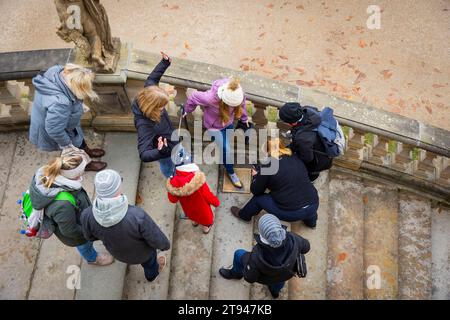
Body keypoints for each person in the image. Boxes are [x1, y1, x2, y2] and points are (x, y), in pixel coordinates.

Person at [80, 169, 170, 282]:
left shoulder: (87, 215)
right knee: (150, 263)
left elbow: (90, 237)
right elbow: (155, 237)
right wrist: (165, 246)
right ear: (117, 189)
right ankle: (151, 275)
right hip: (143, 254)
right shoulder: (137, 216)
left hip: (117, 253)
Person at [28, 153, 113, 266]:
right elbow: (70, 231)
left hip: (78, 215)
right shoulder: (63, 205)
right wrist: (90, 233)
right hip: (79, 234)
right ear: (73, 175)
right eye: (81, 172)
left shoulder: (48, 174)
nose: (82, 174)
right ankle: (92, 258)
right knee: (84, 245)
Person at [29, 63, 107, 171]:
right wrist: (67, 144)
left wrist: (78, 105)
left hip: (57, 120)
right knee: (74, 148)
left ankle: (86, 150)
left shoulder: (57, 71)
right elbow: (54, 130)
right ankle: (85, 164)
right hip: (57, 129)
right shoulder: (60, 103)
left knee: (77, 138)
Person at [230, 138, 319, 228]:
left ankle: (244, 215)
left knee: (258, 199)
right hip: (313, 204)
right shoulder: (295, 158)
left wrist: (256, 176)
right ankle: (311, 223)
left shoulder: (268, 167)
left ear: (267, 151)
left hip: (292, 213)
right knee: (307, 204)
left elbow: (256, 190)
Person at [219, 214, 310, 299]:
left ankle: (236, 274)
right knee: (279, 282)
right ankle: (275, 292)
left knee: (238, 253)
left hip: (267, 278)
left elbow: (250, 278)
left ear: (263, 234)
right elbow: (306, 247)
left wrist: (248, 268)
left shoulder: (257, 255)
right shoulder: (294, 239)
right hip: (286, 273)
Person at [184, 77, 251, 188]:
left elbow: (242, 105)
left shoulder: (239, 93)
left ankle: (224, 155)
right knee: (226, 150)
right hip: (214, 127)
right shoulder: (210, 98)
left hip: (228, 123)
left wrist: (244, 119)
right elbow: (193, 97)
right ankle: (231, 172)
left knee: (226, 146)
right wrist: (186, 110)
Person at [132, 51, 177, 178]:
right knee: (168, 166)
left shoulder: (149, 91)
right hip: (165, 152)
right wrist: (160, 151)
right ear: (152, 106)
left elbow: (152, 78)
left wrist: (165, 62)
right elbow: (144, 154)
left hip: (171, 139)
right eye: (161, 106)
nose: (164, 108)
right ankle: (171, 177)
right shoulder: (144, 125)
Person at [279, 102, 333, 181]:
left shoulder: (302, 138)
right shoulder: (307, 109)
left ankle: (308, 181)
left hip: (317, 163)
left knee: (307, 176)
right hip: (321, 150)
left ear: (293, 123)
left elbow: (307, 159)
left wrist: (290, 159)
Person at [166, 163, 220, 234]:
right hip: (202, 208)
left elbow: (172, 200)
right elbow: (208, 195)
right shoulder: (198, 180)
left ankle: (195, 222)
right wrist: (216, 202)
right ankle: (206, 228)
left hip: (188, 208)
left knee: (192, 216)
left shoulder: (173, 183)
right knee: (206, 220)